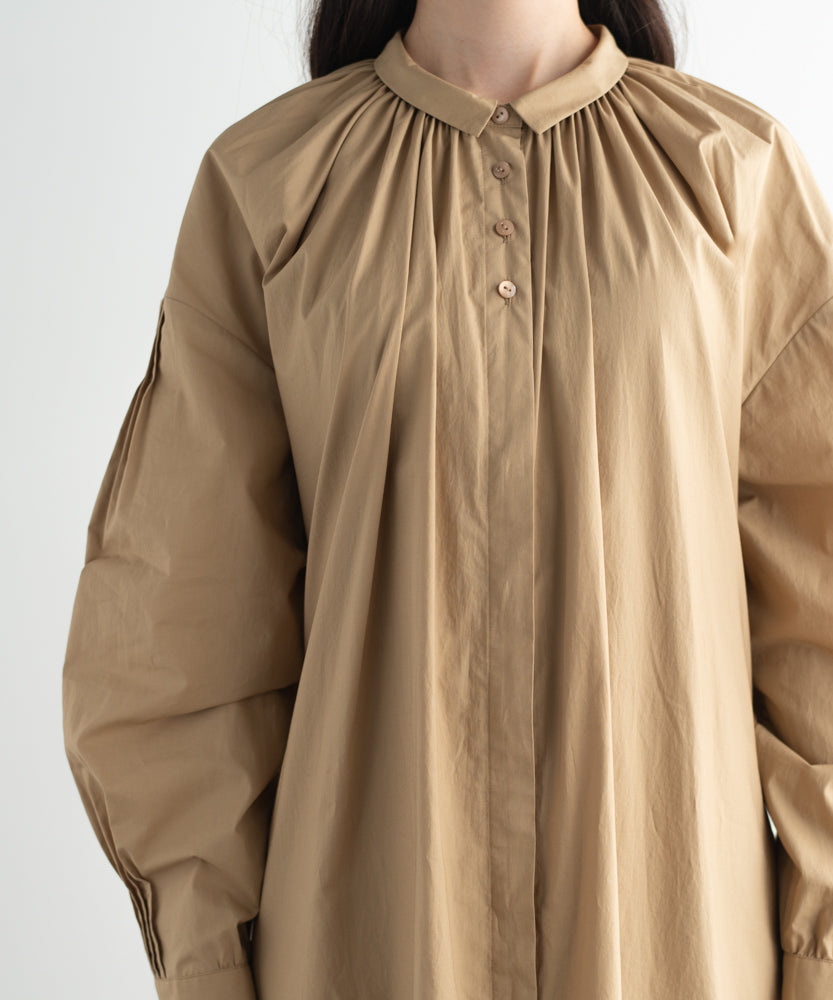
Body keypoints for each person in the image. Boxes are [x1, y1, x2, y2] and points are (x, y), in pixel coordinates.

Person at [61, 0, 833, 997]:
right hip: (365, 947)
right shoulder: (273, 186)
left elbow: (817, 600)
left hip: (675, 947)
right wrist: (206, 962)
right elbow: (179, 625)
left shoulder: (729, 176)